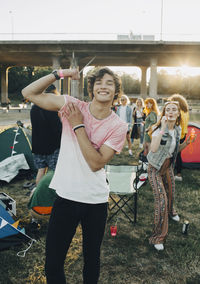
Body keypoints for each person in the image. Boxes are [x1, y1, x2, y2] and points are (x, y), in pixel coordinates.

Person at [22, 66, 127, 284]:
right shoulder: (72, 105)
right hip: (67, 196)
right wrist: (60, 74)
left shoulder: (118, 126)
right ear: (92, 89)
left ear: (116, 91)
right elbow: (28, 93)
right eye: (99, 82)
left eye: (109, 83)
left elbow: (96, 163)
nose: (103, 86)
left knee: (91, 261)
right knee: (52, 263)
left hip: (95, 201)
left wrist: (77, 124)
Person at [147, 101, 196, 251]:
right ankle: (157, 238)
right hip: (155, 168)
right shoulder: (157, 130)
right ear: (164, 113)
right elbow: (154, 149)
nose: (170, 111)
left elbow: (175, 151)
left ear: (178, 113)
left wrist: (187, 143)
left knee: (171, 193)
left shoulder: (177, 129)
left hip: (167, 166)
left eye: (174, 109)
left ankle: (171, 212)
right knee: (161, 200)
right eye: (167, 109)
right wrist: (162, 128)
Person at [30, 84, 62, 186]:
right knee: (55, 172)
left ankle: (37, 191)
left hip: (38, 146)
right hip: (52, 146)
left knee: (41, 170)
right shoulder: (52, 108)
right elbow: (57, 129)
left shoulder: (34, 107)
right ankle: (53, 193)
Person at [167, 94, 189, 181]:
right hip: (183, 135)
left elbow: (176, 124)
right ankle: (176, 172)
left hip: (177, 135)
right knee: (177, 154)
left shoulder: (179, 112)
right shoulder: (186, 112)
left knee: (174, 154)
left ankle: (177, 174)